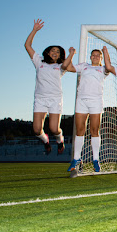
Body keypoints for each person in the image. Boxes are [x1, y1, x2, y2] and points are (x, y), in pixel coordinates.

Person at [24, 19, 75, 155]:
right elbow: (27, 45)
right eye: (53, 50)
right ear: (47, 52)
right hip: (40, 98)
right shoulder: (39, 61)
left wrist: (71, 54)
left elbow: (66, 66)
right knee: (36, 129)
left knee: (54, 128)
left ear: (60, 56)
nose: (55, 53)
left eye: (58, 52)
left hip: (55, 98)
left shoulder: (60, 66)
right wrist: (34, 30)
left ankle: (60, 140)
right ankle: (45, 141)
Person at [66, 47, 109, 172]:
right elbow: (68, 68)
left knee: (94, 130)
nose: (95, 57)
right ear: (90, 57)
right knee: (80, 129)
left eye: (98, 55)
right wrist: (72, 54)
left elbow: (109, 67)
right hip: (81, 100)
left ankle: (96, 159)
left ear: (101, 58)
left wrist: (105, 53)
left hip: (96, 101)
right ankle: (76, 158)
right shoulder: (84, 66)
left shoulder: (102, 69)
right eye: (93, 55)